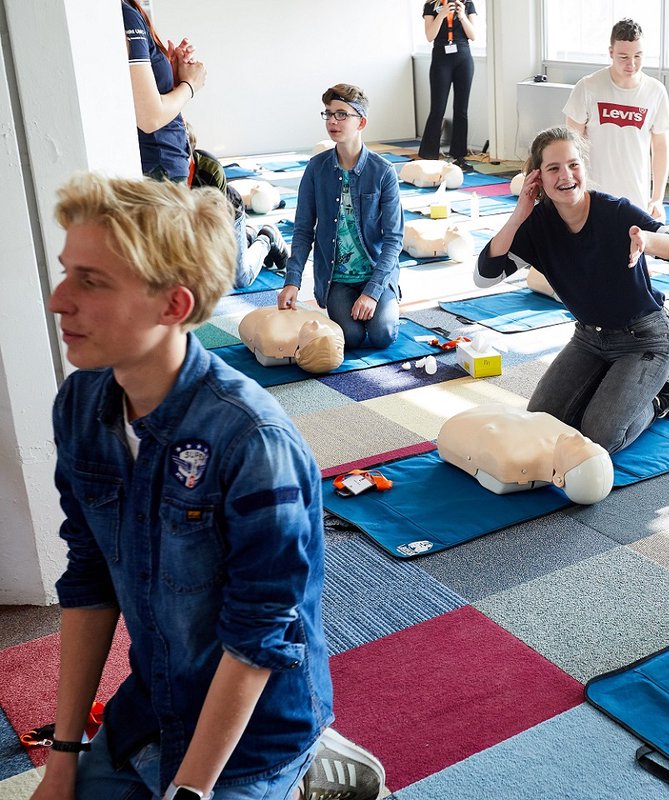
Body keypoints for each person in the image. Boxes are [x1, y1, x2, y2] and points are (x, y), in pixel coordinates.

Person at [35, 173, 385, 800]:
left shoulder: (254, 443)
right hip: (152, 706)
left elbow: (257, 636)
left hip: (256, 733)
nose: (60, 300)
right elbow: (89, 578)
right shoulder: (80, 406)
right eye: (68, 273)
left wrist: (189, 793)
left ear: (173, 305)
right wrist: (64, 756)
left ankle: (311, 767)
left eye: (90, 282)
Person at [474, 126, 669, 453]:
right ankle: (612, 389)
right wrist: (519, 214)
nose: (566, 175)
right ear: (537, 178)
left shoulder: (614, 211)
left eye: (573, 164)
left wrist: (649, 241)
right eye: (553, 168)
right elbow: (486, 276)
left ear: (584, 167)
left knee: (599, 437)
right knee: (540, 423)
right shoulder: (537, 225)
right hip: (589, 339)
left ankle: (661, 396)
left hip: (644, 341)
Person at [279, 84, 404, 350]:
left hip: (375, 273)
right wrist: (292, 281)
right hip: (338, 278)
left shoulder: (383, 172)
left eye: (342, 114)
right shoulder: (316, 168)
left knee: (382, 334)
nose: (333, 121)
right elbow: (303, 230)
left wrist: (372, 293)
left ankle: (387, 299)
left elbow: (394, 240)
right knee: (351, 338)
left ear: (362, 122)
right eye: (328, 114)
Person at [563, 18, 669, 222]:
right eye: (623, 57)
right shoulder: (588, 87)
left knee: (632, 251)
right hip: (593, 196)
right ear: (611, 52)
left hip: (636, 197)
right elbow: (570, 145)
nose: (631, 64)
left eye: (638, 56)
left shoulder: (655, 92)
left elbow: (660, 147)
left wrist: (657, 198)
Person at [185, 121, 289, 289]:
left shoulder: (209, 168)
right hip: (193, 226)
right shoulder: (161, 171)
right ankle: (247, 236)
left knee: (239, 278)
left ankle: (267, 237)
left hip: (226, 217)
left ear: (188, 151)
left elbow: (216, 227)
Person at [122, 0, 206, 181]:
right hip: (160, 171)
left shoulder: (128, 9)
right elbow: (150, 117)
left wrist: (168, 77)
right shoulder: (127, 15)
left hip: (163, 168)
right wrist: (190, 85)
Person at [417, 0, 478, 168]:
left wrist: (462, 16)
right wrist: (442, 14)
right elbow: (430, 36)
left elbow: (473, 35)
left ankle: (459, 155)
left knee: (461, 110)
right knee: (437, 109)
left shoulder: (467, 4)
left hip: (463, 56)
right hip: (441, 57)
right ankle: (429, 155)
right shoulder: (431, 5)